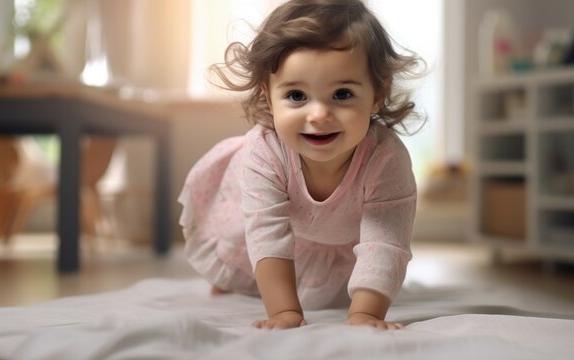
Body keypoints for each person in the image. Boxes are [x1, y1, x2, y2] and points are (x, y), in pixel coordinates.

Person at [178, 0, 424, 330]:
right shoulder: (265, 150)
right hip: (255, 211)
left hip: (335, 236)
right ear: (268, 94)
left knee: (334, 289)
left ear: (378, 94)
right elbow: (266, 232)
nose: (319, 115)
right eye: (296, 96)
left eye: (342, 94)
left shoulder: (386, 159)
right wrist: (284, 312)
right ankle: (237, 277)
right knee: (252, 266)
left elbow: (384, 241)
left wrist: (366, 313)